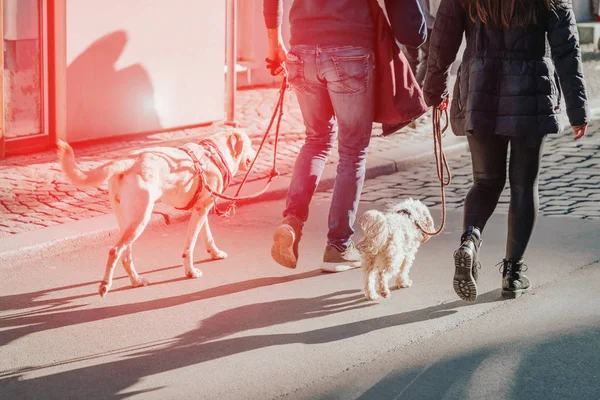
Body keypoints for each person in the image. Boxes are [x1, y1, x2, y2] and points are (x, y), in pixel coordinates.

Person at [423, 0, 589, 301]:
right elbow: (566, 49)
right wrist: (578, 111)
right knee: (524, 185)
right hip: (531, 93)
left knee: (485, 182)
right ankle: (513, 274)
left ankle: (470, 241)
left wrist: (435, 89)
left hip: (480, 88)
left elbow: (443, 37)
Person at [263, 0, 426, 272]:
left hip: (302, 47)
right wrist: (413, 32)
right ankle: (337, 246)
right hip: (350, 49)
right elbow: (411, 29)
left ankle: (291, 220)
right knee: (352, 151)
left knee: (315, 140)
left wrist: (273, 42)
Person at [404, 0, 438, 87]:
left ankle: (410, 86)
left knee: (411, 58)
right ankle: (416, 85)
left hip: (410, 21)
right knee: (428, 57)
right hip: (427, 22)